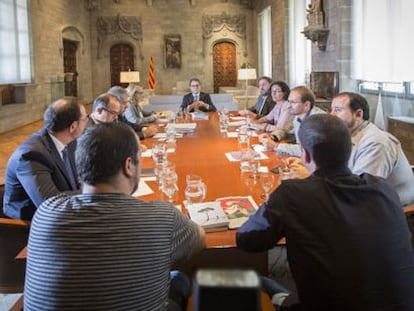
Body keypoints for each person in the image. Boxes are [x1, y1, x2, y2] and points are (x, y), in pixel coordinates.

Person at [237, 114, 414, 311]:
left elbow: (247, 241)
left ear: (304, 154)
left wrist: (270, 206)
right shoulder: (383, 188)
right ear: (349, 151)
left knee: (256, 281)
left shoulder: (291, 194)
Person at [24, 122, 206, 311]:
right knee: (179, 279)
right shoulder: (161, 217)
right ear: (129, 166)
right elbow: (199, 240)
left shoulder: (46, 212)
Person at [3, 98, 88, 220]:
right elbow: (49, 203)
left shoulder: (70, 142)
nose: (86, 122)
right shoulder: (31, 155)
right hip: (30, 224)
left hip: (63, 212)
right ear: (73, 126)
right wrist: (90, 190)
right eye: (85, 119)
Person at [331, 92, 414, 206]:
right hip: (365, 201)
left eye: (338, 110)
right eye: (332, 110)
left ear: (358, 114)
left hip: (390, 209)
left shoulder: (376, 143)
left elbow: (361, 190)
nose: (331, 115)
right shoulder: (350, 135)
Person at [259, 86, 325, 157]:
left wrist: (276, 146)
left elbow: (308, 150)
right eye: (289, 101)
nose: (289, 105)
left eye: (293, 102)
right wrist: (272, 136)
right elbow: (286, 130)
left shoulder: (318, 121)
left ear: (306, 105)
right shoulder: (298, 116)